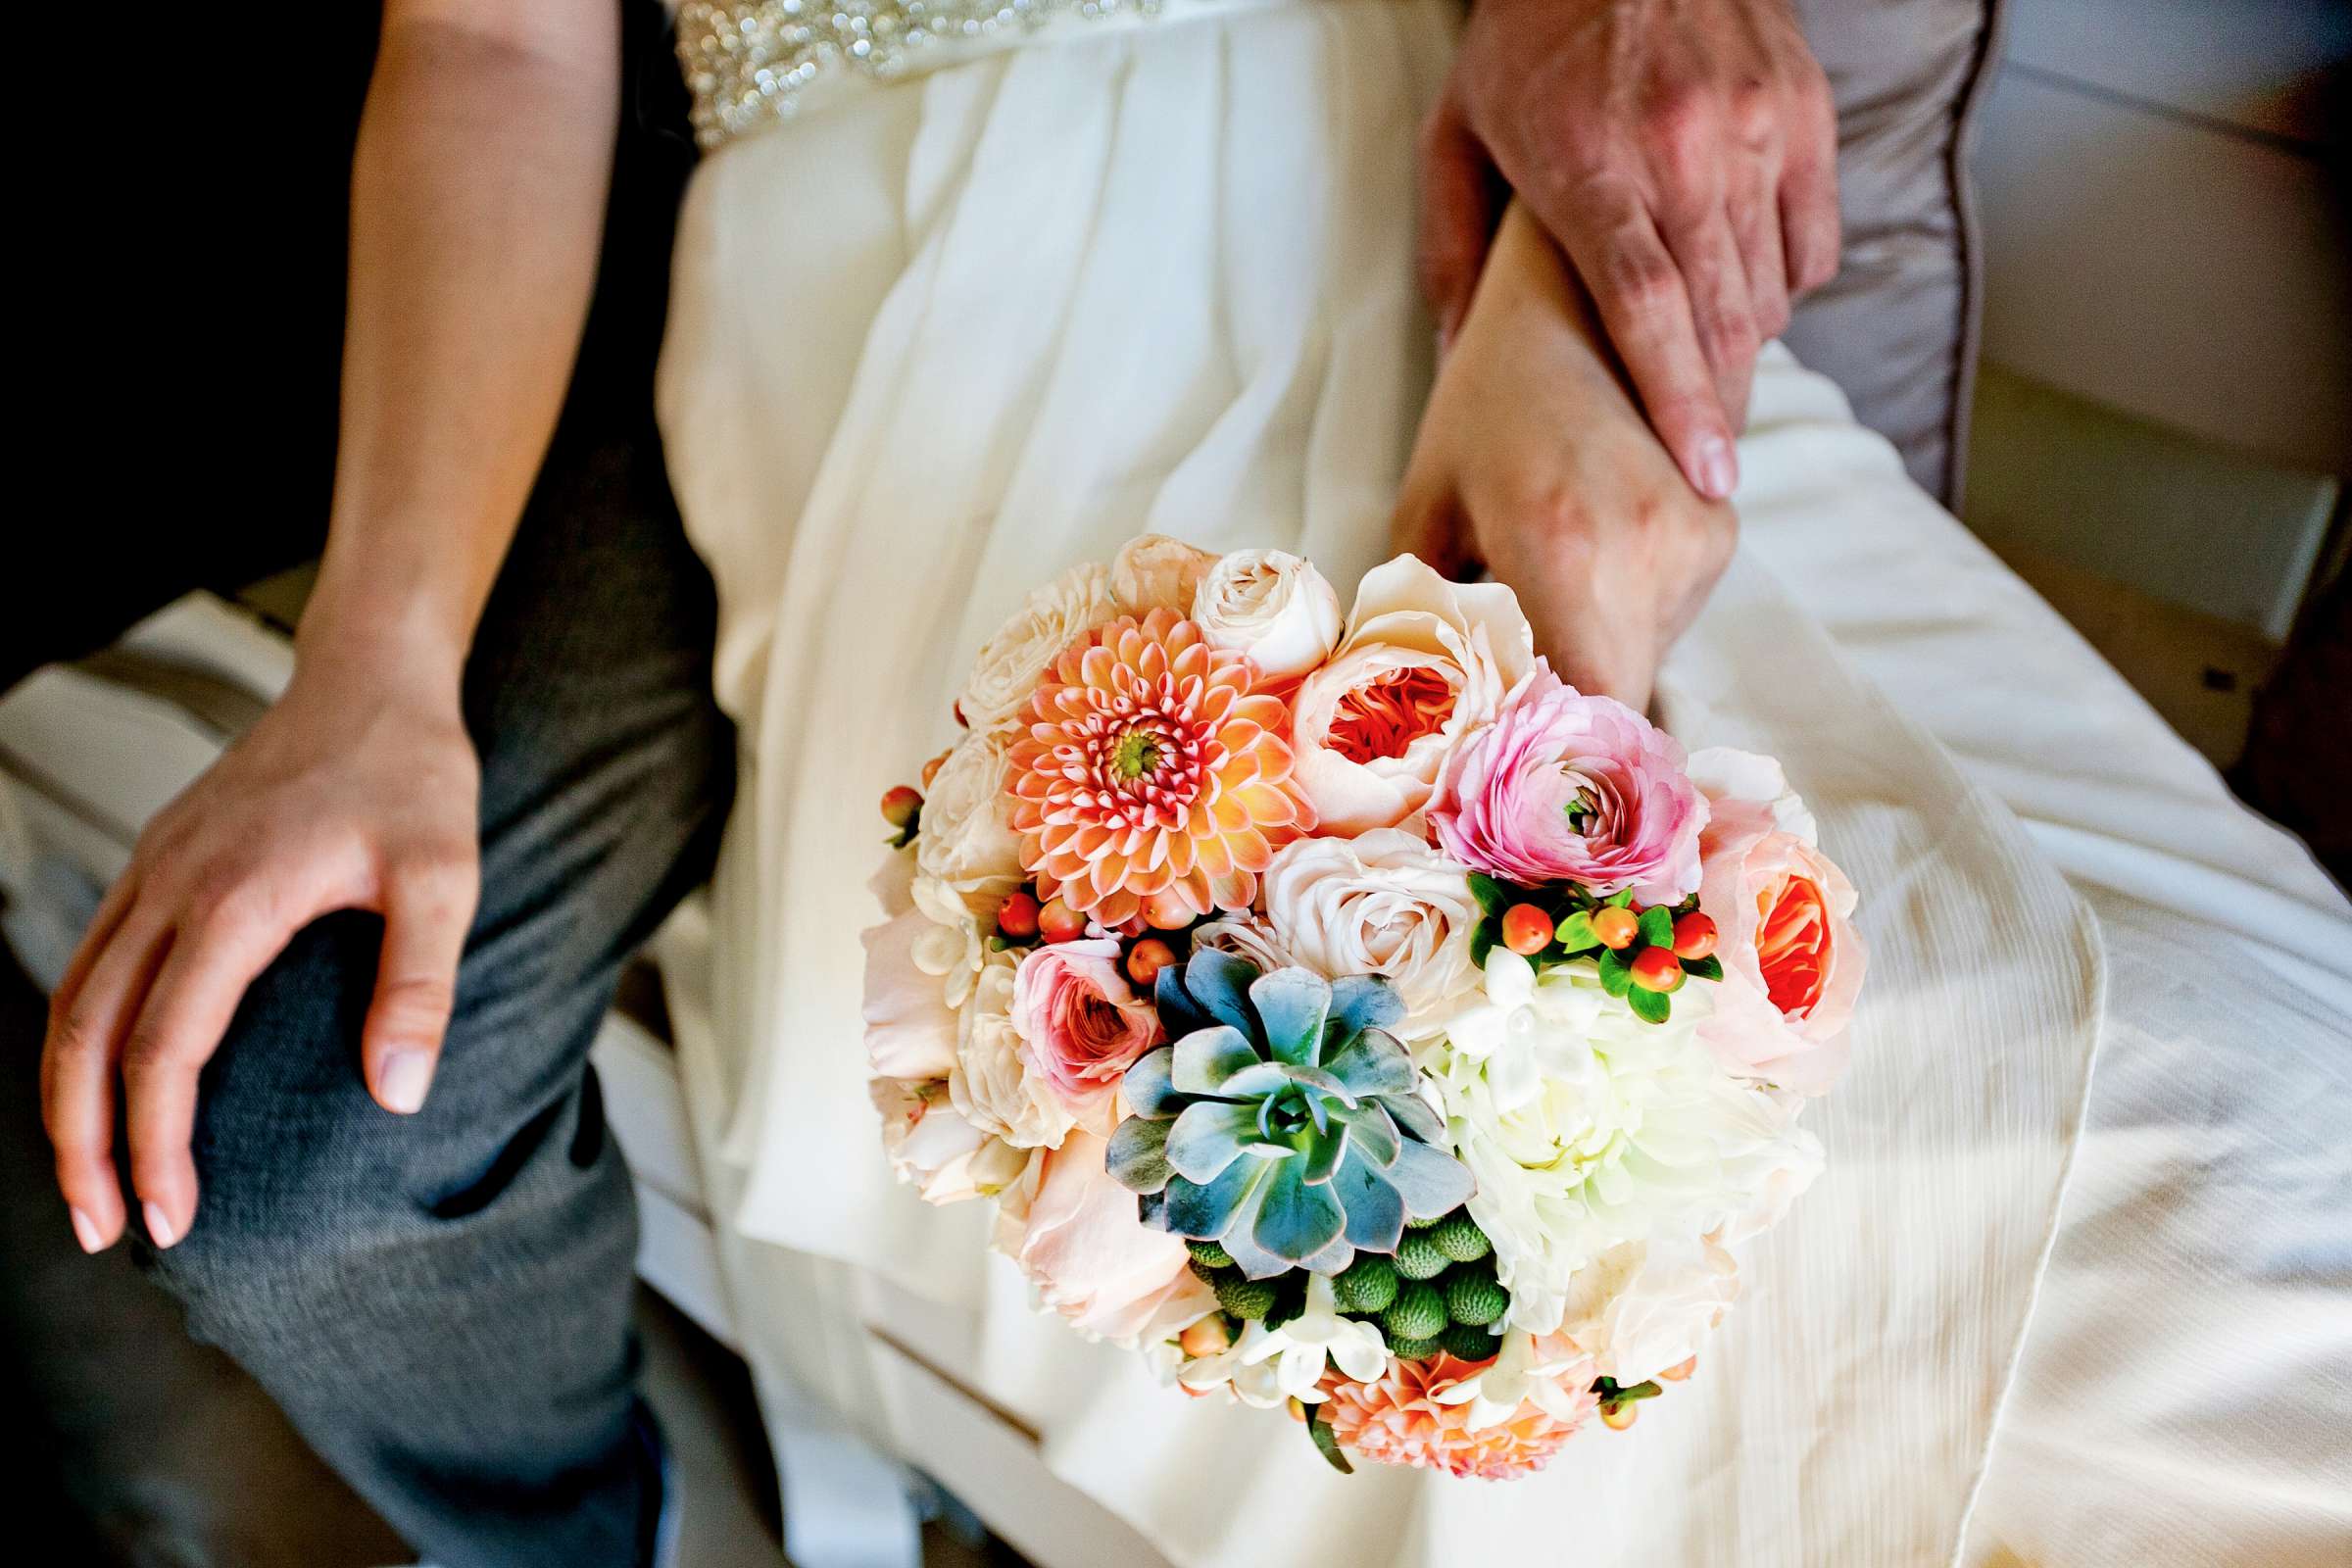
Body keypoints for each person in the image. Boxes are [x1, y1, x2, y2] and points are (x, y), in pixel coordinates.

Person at [33, 1, 1844, 1564]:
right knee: (316, 1147)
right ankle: (621, 1531)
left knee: (1587, 1066)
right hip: (768, 306)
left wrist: (1536, 266)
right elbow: (494, 38)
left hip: (1348, 183)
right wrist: (377, 660)